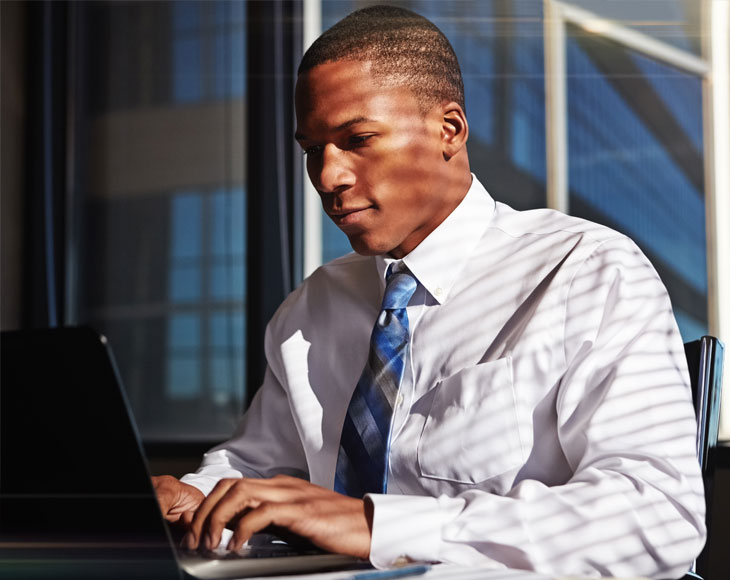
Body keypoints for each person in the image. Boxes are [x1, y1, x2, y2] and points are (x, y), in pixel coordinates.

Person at [153, 5, 706, 578]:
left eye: (357, 138)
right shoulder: (313, 308)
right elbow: (259, 462)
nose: (327, 176)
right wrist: (195, 497)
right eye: (312, 149)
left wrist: (377, 527)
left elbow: (659, 515)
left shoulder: (585, 272)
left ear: (450, 130)